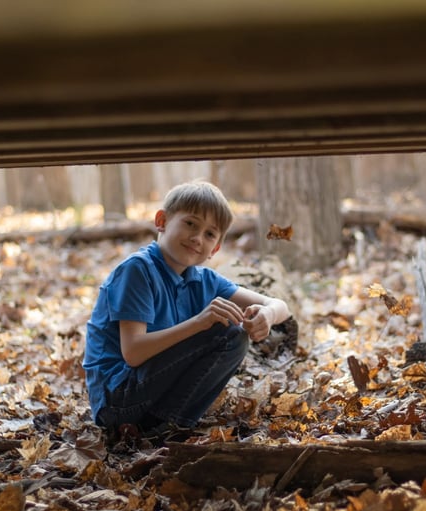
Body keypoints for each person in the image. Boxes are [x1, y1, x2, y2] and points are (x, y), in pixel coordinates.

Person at [83, 180, 291, 443]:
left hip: (150, 393)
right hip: (117, 400)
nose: (197, 238)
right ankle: (163, 426)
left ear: (215, 249)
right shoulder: (137, 270)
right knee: (226, 332)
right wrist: (198, 323)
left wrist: (268, 316)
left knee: (235, 334)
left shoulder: (204, 279)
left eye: (209, 234)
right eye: (190, 224)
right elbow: (133, 353)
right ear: (162, 221)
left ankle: (166, 427)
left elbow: (280, 306)